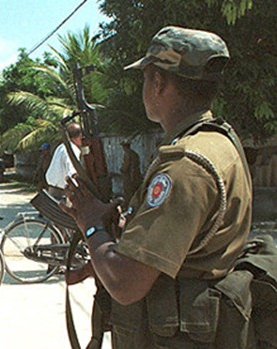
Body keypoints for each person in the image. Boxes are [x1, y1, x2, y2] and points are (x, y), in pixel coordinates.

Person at [62, 26, 253, 348]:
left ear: (158, 81)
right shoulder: (217, 140)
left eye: (145, 78)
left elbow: (126, 285)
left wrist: (91, 224)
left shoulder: (184, 164)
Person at [45, 122, 83, 200]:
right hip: (64, 193)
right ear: (80, 136)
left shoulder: (61, 147)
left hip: (53, 189)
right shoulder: (72, 150)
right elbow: (72, 172)